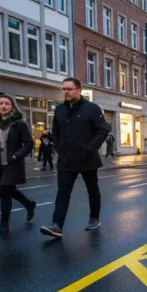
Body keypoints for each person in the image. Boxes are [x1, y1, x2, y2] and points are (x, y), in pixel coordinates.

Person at [40, 77, 111, 238]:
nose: (66, 92)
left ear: (79, 90)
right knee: (62, 192)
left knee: (92, 189)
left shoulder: (91, 108)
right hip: (66, 159)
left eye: (69, 89)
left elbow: (103, 130)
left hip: (87, 158)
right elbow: (55, 132)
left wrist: (90, 148)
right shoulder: (59, 110)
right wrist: (58, 146)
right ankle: (57, 225)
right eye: (64, 89)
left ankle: (94, 218)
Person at [0, 95, 37, 235]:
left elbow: (29, 143)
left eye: (7, 104)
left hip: (12, 162)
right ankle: (29, 204)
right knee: (10, 190)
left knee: (4, 192)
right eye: (1, 103)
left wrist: (17, 155)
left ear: (12, 106)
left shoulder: (19, 123)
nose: (3, 106)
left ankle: (4, 225)